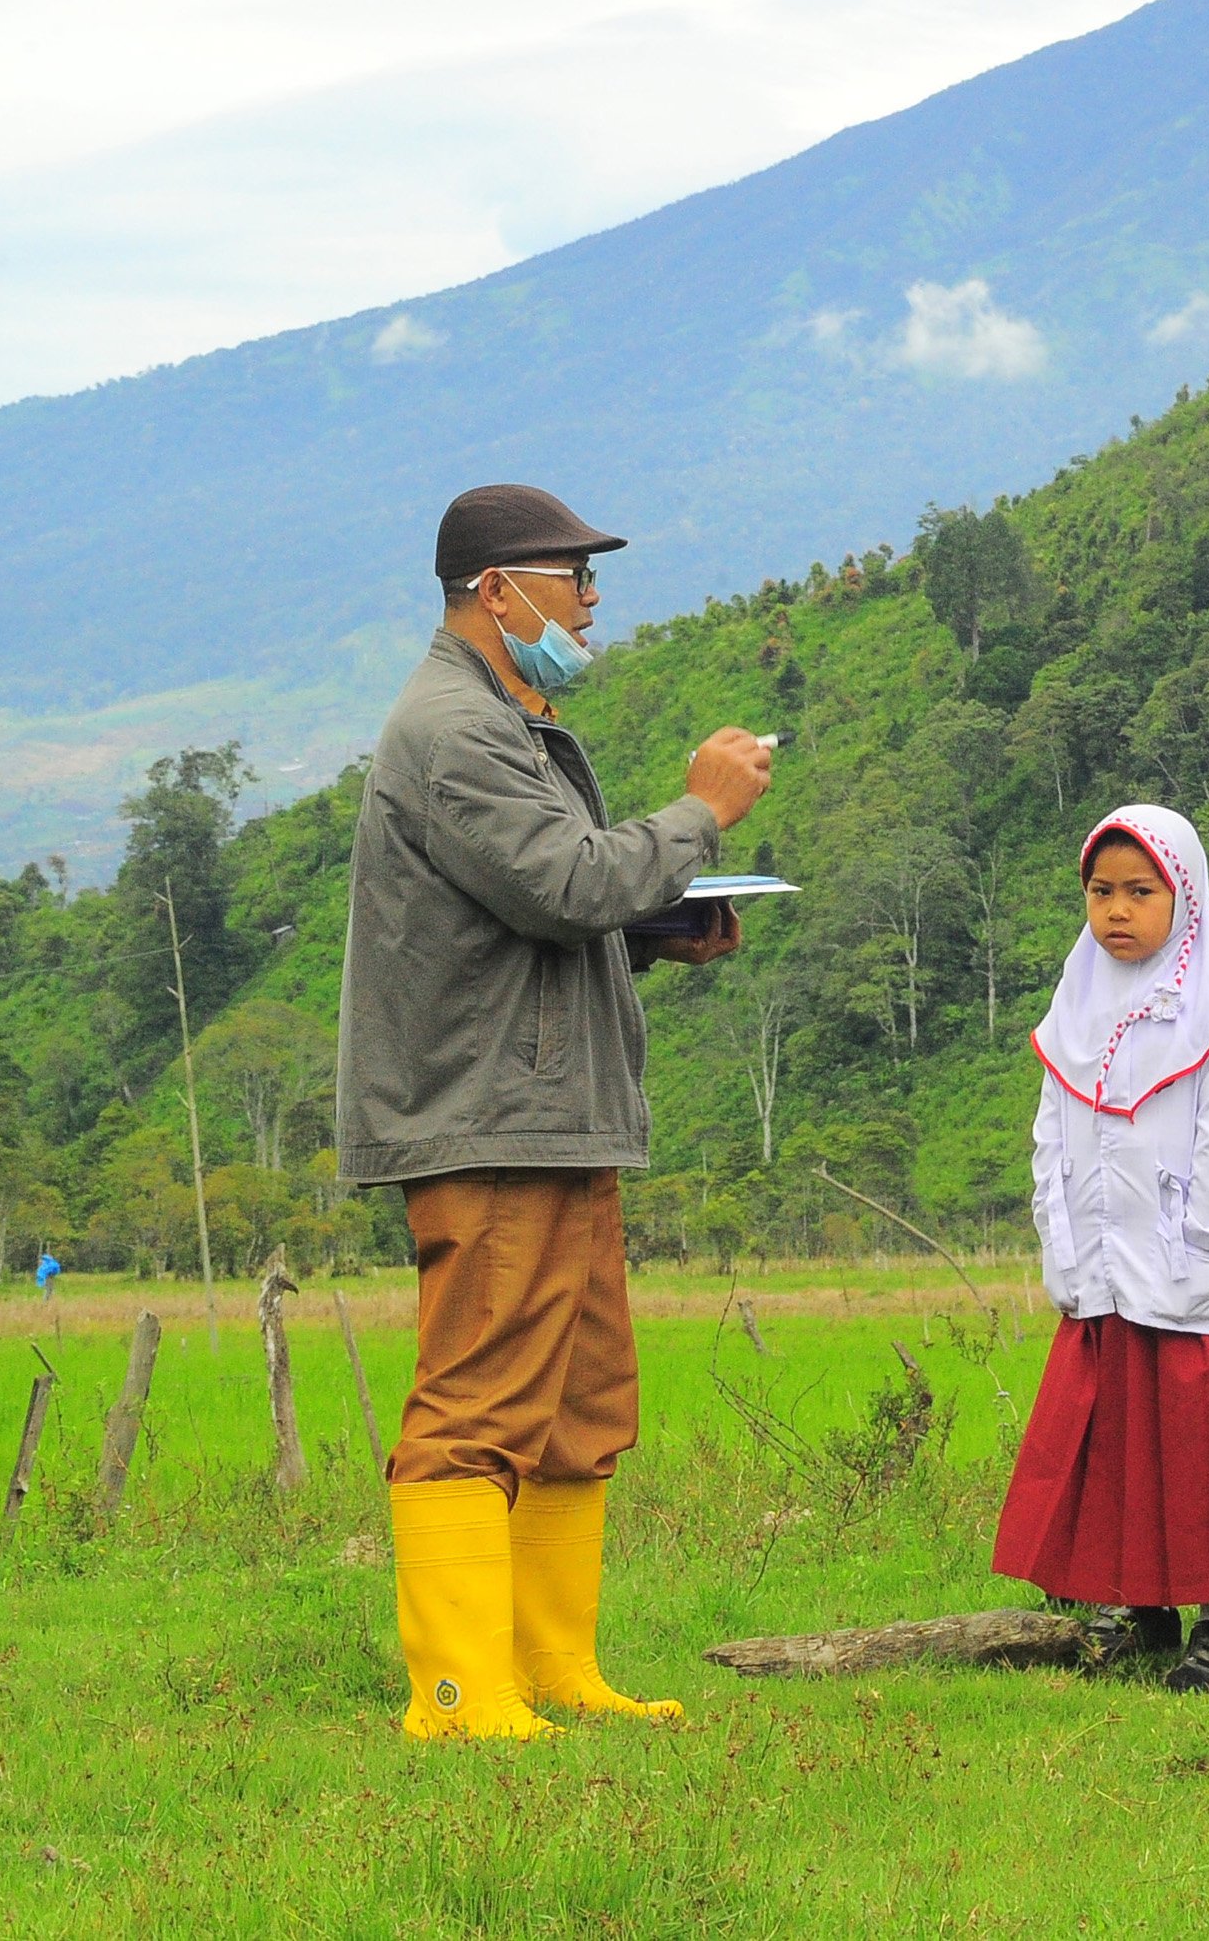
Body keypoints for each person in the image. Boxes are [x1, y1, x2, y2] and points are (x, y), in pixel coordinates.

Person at [337, 483, 774, 1740]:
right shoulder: (454, 729)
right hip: (488, 1114)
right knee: (479, 1398)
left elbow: (535, 919)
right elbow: (568, 881)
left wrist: (658, 932)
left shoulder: (507, 721)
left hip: (553, 1109)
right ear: (496, 591)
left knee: (579, 1401)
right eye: (572, 578)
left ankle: (554, 1668)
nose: (589, 602)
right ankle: (457, 1693)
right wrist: (701, 812)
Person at [993, 806, 1209, 1693]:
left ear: (1183, 896)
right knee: (1113, 1444)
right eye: (1100, 892)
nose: (1117, 910)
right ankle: (1139, 1604)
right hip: (1095, 1271)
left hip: (1173, 1267)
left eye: (1139, 891)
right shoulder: (1074, 1006)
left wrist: (1191, 1238)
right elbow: (1050, 1134)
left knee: (1195, 1449)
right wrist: (1058, 1235)